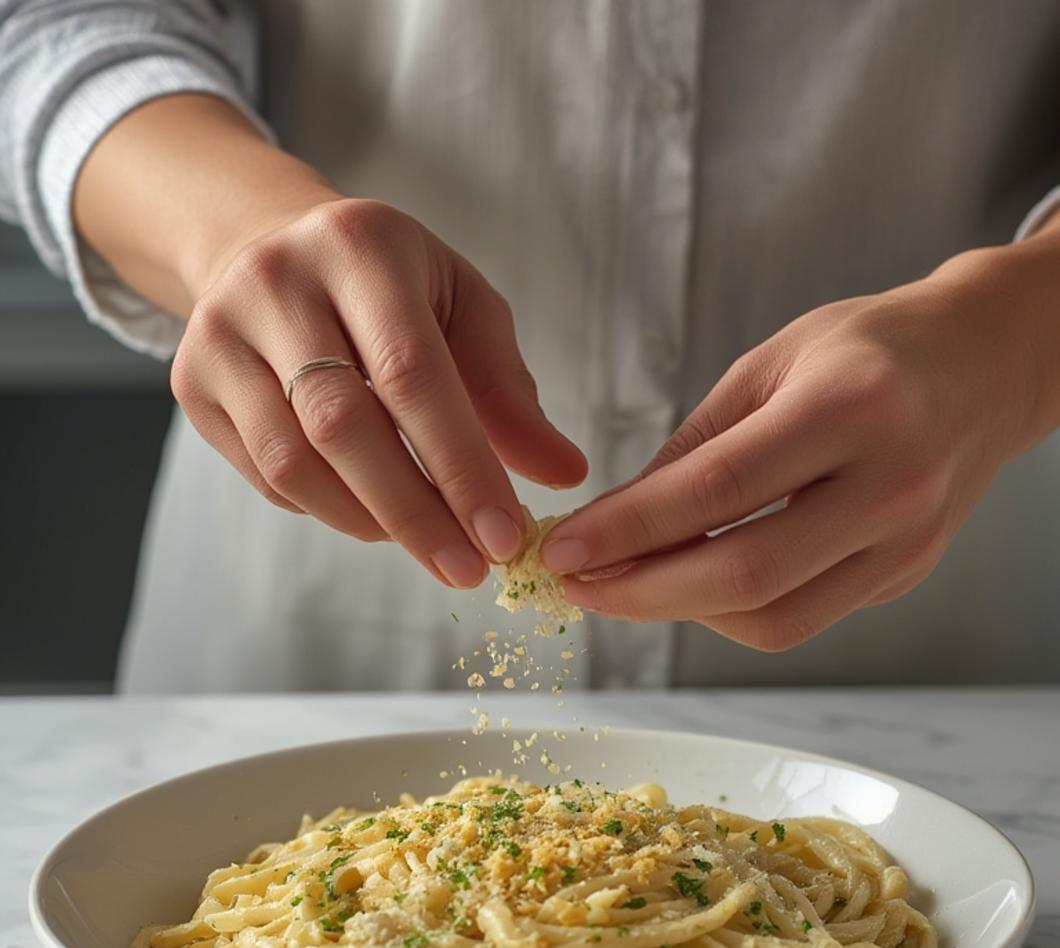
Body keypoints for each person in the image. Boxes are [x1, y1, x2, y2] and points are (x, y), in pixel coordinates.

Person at [3, 0, 1060, 691]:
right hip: (296, 639)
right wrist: (233, 228)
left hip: (945, 652)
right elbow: (56, 22)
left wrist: (1012, 338)